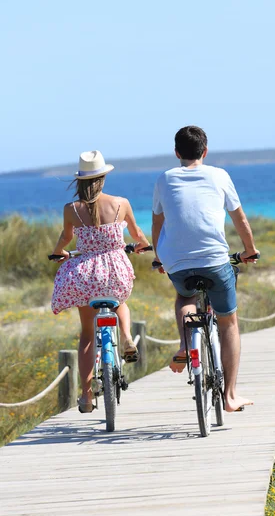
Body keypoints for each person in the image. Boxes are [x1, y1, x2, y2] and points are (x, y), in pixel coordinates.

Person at [152, 126, 259, 413]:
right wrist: (249, 251)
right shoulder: (219, 175)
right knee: (228, 322)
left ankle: (187, 344)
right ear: (205, 151)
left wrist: (161, 259)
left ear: (176, 153)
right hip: (214, 260)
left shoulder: (165, 179)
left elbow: (157, 225)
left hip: (176, 261)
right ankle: (230, 396)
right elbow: (240, 220)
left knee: (185, 298)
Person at [50, 150, 150, 413]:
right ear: (103, 178)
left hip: (85, 274)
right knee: (121, 303)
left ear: (80, 181)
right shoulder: (121, 203)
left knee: (86, 334)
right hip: (115, 270)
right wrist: (143, 244)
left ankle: (85, 396)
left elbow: (65, 238)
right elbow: (137, 232)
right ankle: (127, 337)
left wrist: (59, 251)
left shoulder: (71, 209)